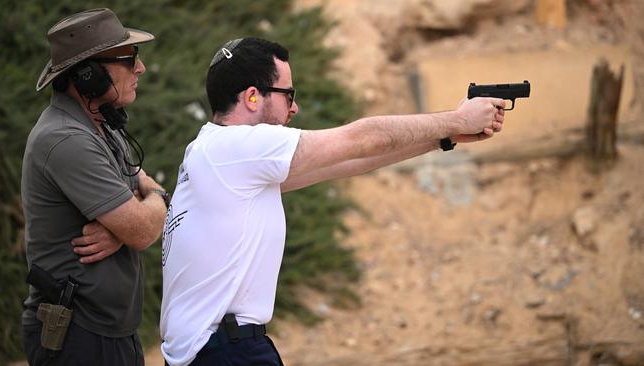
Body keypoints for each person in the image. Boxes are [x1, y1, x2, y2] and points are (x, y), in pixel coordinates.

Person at [159, 37, 506, 366]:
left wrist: (442, 138)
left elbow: (346, 161)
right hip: (228, 352)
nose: (294, 107)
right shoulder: (238, 148)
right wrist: (457, 119)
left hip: (218, 349)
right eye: (287, 94)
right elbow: (362, 138)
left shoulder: (218, 155)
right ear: (252, 97)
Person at [21, 8, 168, 366]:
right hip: (79, 336)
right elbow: (144, 228)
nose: (140, 68)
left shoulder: (102, 124)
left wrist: (135, 216)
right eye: (129, 58)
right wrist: (140, 215)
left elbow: (145, 195)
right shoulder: (67, 139)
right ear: (88, 75)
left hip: (106, 332)